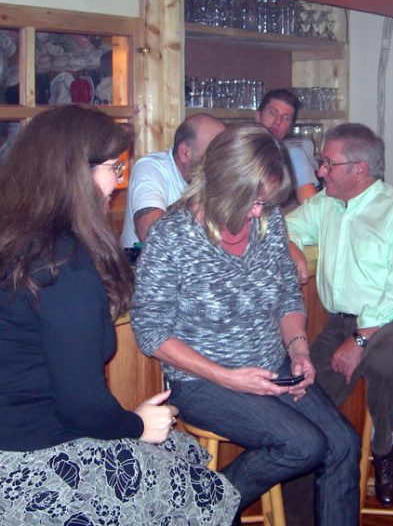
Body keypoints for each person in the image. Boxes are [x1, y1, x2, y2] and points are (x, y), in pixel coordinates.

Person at [0, 105, 239, 524]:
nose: (119, 182)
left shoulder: (16, 240)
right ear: (77, 174)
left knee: (184, 454)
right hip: (35, 462)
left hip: (15, 440)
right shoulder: (63, 263)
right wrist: (135, 425)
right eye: (114, 168)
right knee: (211, 492)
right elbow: (80, 405)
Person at [131, 123, 361, 525]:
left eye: (265, 202)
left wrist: (299, 350)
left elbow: (287, 296)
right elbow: (150, 331)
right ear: (223, 182)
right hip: (202, 381)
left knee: (343, 444)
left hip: (272, 365)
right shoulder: (172, 236)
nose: (259, 212)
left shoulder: (267, 223)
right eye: (253, 201)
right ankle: (200, 507)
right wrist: (228, 377)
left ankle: (202, 507)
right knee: (303, 445)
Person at [286, 123, 393, 508]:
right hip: (340, 322)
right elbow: (281, 226)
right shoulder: (326, 204)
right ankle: (299, 512)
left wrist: (360, 340)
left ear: (360, 169)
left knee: (384, 358)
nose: (320, 171)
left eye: (328, 163)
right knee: (301, 396)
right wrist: (292, 246)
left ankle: (383, 445)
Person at [121, 112, 224, 247]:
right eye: (213, 151)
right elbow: (151, 234)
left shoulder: (222, 176)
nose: (222, 159)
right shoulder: (150, 168)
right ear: (184, 153)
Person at [256, 88, 319, 203]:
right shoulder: (239, 150)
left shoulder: (294, 155)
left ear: (290, 128)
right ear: (258, 116)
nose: (277, 122)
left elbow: (310, 206)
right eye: (272, 113)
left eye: (286, 118)